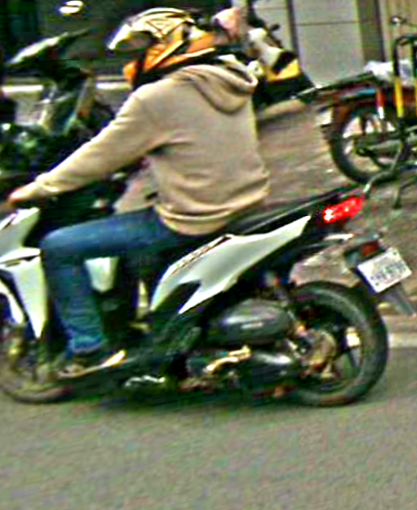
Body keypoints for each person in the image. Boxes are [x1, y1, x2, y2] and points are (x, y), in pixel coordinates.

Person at [7, 7, 269, 379]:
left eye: (143, 48)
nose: (136, 60)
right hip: (245, 200)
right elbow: (190, 139)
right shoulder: (228, 79)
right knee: (133, 252)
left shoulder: (157, 98)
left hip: (193, 216)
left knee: (59, 247)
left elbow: (99, 156)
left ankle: (89, 349)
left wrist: (37, 188)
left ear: (165, 44)